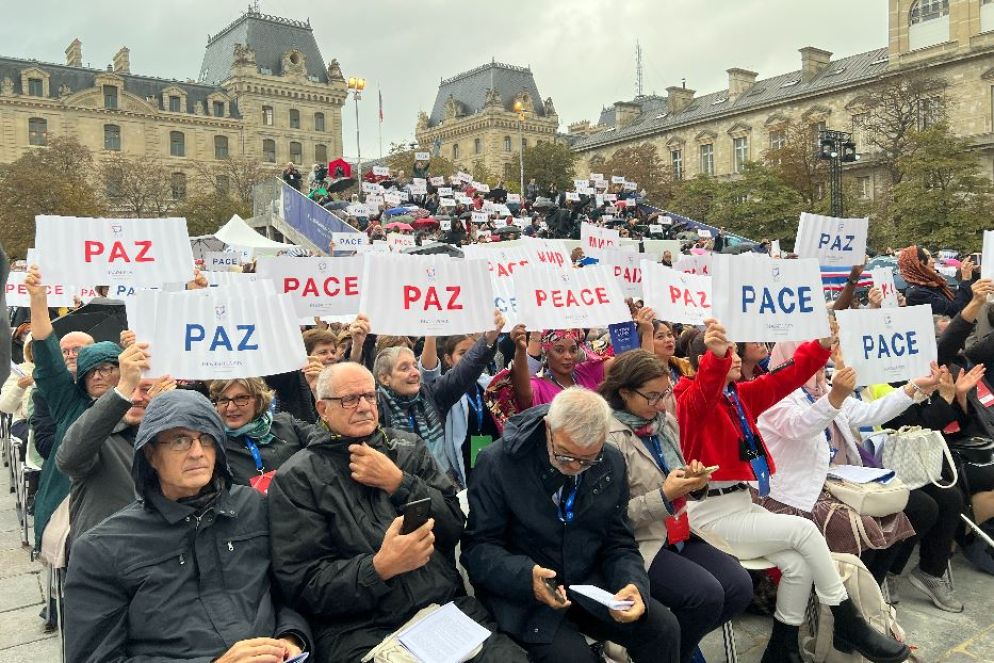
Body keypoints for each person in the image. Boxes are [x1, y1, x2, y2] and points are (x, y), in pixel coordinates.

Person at [675, 319, 910, 663]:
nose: (737, 356)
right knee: (804, 530)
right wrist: (715, 357)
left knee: (798, 564)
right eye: (729, 352)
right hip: (709, 513)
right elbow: (703, 392)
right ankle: (847, 619)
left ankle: (781, 648)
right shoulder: (689, 400)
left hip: (739, 502)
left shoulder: (737, 397)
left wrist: (821, 345)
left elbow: (782, 379)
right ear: (700, 362)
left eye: (736, 350)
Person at [268, 362, 527, 662]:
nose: (364, 406)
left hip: (440, 609)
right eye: (350, 399)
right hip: (359, 630)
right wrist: (379, 568)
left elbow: (455, 524)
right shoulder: (297, 478)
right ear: (323, 408)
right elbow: (303, 584)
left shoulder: (408, 449)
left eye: (369, 396)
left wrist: (400, 483)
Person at [64, 390, 312, 663]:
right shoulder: (102, 548)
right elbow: (95, 658)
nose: (197, 453)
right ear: (150, 453)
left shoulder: (253, 507)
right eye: (180, 440)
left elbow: (290, 590)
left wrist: (292, 637)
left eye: (206, 439)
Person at [462, 387, 680, 662]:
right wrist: (526, 576)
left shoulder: (610, 459)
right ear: (548, 428)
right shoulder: (498, 463)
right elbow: (478, 548)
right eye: (565, 455)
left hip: (588, 583)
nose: (576, 466)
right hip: (524, 595)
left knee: (663, 629)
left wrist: (632, 584)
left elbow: (619, 541)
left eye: (588, 459)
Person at [600, 351, 751, 663]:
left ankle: (666, 650)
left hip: (677, 532)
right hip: (637, 543)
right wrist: (666, 495)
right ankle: (664, 651)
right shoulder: (608, 437)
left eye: (664, 393)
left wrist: (694, 481)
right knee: (705, 595)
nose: (659, 403)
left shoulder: (664, 423)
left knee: (739, 586)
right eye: (651, 396)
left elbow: (676, 477)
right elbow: (610, 517)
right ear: (624, 393)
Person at [756, 341, 940, 584]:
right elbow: (800, 427)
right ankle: (848, 599)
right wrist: (835, 398)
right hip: (795, 495)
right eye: (811, 362)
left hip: (837, 483)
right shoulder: (774, 396)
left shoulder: (822, 390)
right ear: (789, 361)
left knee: (910, 508)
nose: (821, 367)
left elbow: (870, 412)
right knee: (863, 528)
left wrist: (913, 387)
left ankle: (870, 589)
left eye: (821, 363)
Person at [24, 265, 122, 549]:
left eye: (107, 368)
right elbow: (47, 358)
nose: (99, 375)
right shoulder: (71, 405)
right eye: (91, 370)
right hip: (74, 508)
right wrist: (39, 302)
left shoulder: (135, 405)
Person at [56, 342, 172, 542]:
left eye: (146, 389)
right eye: (129, 390)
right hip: (109, 554)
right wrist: (123, 388)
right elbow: (68, 459)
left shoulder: (171, 436)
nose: (135, 398)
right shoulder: (96, 437)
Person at [374, 311, 504, 488]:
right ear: (384, 378)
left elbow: (464, 371)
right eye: (404, 368)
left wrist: (488, 339)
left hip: (443, 487)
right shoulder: (374, 407)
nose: (414, 372)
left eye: (414, 365)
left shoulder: (432, 394)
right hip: (400, 491)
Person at [207, 377, 313, 488]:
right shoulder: (213, 445)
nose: (231, 408)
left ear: (259, 400)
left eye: (241, 398)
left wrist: (316, 391)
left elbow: (326, 441)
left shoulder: (286, 424)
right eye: (223, 400)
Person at [32, 330, 95, 460]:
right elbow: (44, 446)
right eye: (64, 351)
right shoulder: (45, 394)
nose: (70, 355)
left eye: (77, 349)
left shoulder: (108, 386)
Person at [898, 245, 973, 316]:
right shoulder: (918, 294)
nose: (933, 261)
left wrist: (970, 273)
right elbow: (953, 311)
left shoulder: (934, 284)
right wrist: (965, 279)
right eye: (928, 257)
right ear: (917, 264)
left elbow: (958, 295)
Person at [0, 333, 34, 444]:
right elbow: (5, 407)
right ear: (29, 351)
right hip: (24, 422)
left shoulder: (64, 371)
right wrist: (20, 387)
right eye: (35, 347)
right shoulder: (19, 371)